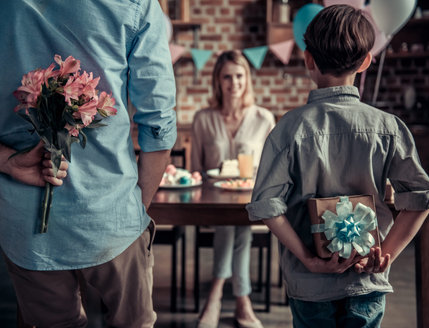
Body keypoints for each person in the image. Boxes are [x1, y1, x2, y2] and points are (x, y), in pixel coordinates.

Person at [246, 5, 429, 328]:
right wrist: (383, 253)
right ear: (366, 61)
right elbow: (421, 197)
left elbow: (266, 206)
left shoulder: (288, 130)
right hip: (366, 283)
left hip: (310, 286)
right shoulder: (389, 127)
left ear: (308, 60)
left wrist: (307, 258)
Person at [0, 1, 176, 327]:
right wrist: (135, 209)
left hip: (25, 223)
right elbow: (158, 125)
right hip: (111, 213)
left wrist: (8, 162)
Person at [191, 50, 275, 328]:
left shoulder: (264, 118)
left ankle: (215, 297)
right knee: (233, 226)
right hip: (212, 203)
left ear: (247, 79)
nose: (234, 82)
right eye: (227, 76)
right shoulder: (203, 118)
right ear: (217, 81)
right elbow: (196, 170)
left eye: (239, 76)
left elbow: (269, 172)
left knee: (239, 224)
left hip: (251, 199)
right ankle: (242, 302)